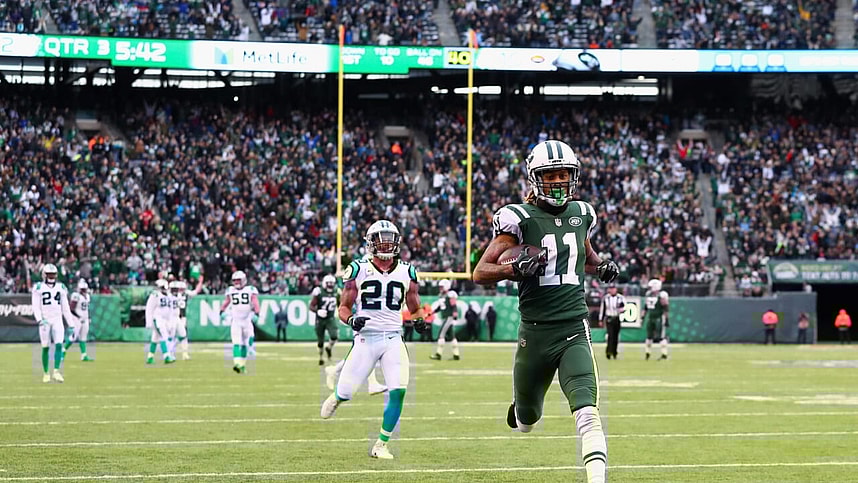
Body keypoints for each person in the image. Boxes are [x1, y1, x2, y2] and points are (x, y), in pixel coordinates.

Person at [472, 140, 619, 483]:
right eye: (550, 175)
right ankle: (521, 411)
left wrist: (601, 266)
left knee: (587, 412)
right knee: (527, 420)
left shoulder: (582, 213)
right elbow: (480, 272)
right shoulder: (519, 218)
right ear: (535, 178)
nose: (557, 182)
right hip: (535, 334)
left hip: (573, 328)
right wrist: (513, 268)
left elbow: (582, 253)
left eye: (563, 175)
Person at [320, 220, 430, 460]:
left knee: (398, 391)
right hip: (366, 339)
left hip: (393, 338)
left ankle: (381, 444)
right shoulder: (358, 269)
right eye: (381, 240)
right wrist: (351, 320)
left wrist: (419, 320)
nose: (386, 244)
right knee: (347, 391)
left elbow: (414, 306)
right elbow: (343, 308)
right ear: (371, 243)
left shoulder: (407, 271)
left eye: (390, 239)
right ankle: (338, 396)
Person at [32, 264, 74, 382]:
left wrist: (71, 323)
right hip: (45, 319)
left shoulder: (61, 287)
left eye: (53, 274)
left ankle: (56, 371)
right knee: (45, 346)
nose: (51, 276)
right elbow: (36, 306)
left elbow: (65, 308)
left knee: (59, 344)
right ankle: (46, 373)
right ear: (44, 275)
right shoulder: (38, 287)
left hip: (57, 319)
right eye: (49, 274)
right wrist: (39, 319)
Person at [219, 271, 260, 373]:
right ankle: (237, 363)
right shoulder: (231, 290)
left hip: (246, 320)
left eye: (238, 280)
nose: (236, 282)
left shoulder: (250, 290)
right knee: (237, 343)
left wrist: (257, 313)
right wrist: (221, 311)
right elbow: (227, 301)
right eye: (235, 280)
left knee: (247, 342)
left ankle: (242, 364)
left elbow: (255, 302)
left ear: (244, 280)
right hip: (236, 321)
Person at [145, 279, 177, 365]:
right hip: (157, 319)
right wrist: (149, 322)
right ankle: (167, 356)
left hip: (165, 320)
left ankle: (150, 357)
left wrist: (170, 321)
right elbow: (149, 308)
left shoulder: (169, 295)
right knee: (163, 336)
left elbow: (170, 309)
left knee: (155, 338)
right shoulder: (155, 295)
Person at [310, 274, 340, 365]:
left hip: (330, 318)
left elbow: (340, 305)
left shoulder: (337, 291)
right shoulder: (319, 291)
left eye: (332, 283)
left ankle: (329, 348)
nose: (330, 285)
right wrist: (317, 311)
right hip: (320, 319)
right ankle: (321, 357)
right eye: (328, 283)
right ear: (324, 283)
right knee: (320, 341)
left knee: (334, 336)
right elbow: (311, 306)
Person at [430, 281, 461, 360]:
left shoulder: (450, 294)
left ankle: (438, 354)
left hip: (449, 317)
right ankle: (456, 355)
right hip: (446, 317)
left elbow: (453, 305)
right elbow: (441, 307)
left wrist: (455, 314)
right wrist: (432, 312)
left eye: (442, 286)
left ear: (446, 286)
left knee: (441, 334)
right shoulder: (441, 296)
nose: (440, 288)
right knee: (452, 336)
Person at [64, 279, 93, 362]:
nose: (84, 291)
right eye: (83, 289)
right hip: (76, 319)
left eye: (85, 289)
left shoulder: (87, 296)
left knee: (83, 337)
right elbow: (71, 309)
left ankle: (84, 355)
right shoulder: (76, 296)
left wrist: (88, 317)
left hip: (85, 318)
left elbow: (86, 309)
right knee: (73, 337)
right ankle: (63, 351)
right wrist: (78, 316)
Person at [175, 276, 203, 360]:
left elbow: (195, 292)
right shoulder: (175, 294)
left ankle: (183, 353)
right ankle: (171, 353)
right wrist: (200, 282)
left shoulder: (181, 293)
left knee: (183, 335)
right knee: (177, 335)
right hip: (174, 317)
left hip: (181, 317)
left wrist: (200, 282)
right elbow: (196, 291)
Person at [642, 279, 670, 360]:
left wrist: (666, 319)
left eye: (651, 287)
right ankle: (647, 353)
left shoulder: (662, 295)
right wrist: (642, 317)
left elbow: (665, 308)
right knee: (649, 336)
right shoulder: (648, 294)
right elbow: (645, 307)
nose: (650, 288)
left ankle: (664, 354)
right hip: (650, 318)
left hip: (659, 318)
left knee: (661, 337)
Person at [600, 283, 625, 360]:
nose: (612, 290)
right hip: (609, 318)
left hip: (617, 318)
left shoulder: (620, 298)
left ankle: (614, 352)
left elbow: (624, 308)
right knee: (610, 335)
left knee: (615, 336)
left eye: (613, 288)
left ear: (616, 289)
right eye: (610, 289)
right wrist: (601, 319)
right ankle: (608, 352)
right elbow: (602, 309)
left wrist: (621, 309)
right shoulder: (606, 298)